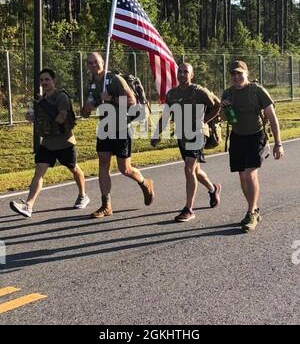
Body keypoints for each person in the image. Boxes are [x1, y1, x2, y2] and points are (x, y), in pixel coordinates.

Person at [81, 52, 154, 218]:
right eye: (90, 63)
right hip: (105, 127)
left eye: (96, 62)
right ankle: (106, 205)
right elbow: (85, 112)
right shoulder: (91, 84)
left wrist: (111, 98)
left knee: (125, 169)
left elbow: (132, 102)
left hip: (121, 127)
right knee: (103, 163)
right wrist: (87, 108)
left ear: (103, 62)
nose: (93, 65)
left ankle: (145, 183)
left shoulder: (114, 79)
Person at [10, 68, 90, 218]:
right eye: (42, 80)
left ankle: (82, 195)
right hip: (47, 143)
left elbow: (61, 117)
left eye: (47, 79)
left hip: (64, 142)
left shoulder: (61, 97)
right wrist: (33, 118)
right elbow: (42, 119)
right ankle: (29, 205)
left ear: (54, 81)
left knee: (74, 169)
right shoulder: (40, 100)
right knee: (39, 171)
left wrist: (44, 113)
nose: (44, 82)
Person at [151, 62, 222, 222]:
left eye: (185, 72)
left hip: (197, 134)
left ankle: (189, 209)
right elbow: (167, 114)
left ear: (192, 75)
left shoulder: (198, 91)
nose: (182, 74)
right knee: (195, 171)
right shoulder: (172, 94)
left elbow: (216, 106)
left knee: (189, 167)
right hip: (182, 135)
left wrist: (203, 121)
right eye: (180, 72)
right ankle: (213, 188)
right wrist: (157, 133)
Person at [221, 60, 284, 233]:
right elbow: (224, 118)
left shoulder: (257, 91)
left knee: (250, 174)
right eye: (233, 74)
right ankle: (254, 209)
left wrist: (278, 143)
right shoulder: (228, 93)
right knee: (242, 177)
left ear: (246, 73)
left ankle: (250, 213)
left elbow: (272, 117)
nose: (236, 77)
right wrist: (225, 109)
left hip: (255, 137)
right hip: (237, 138)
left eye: (239, 73)